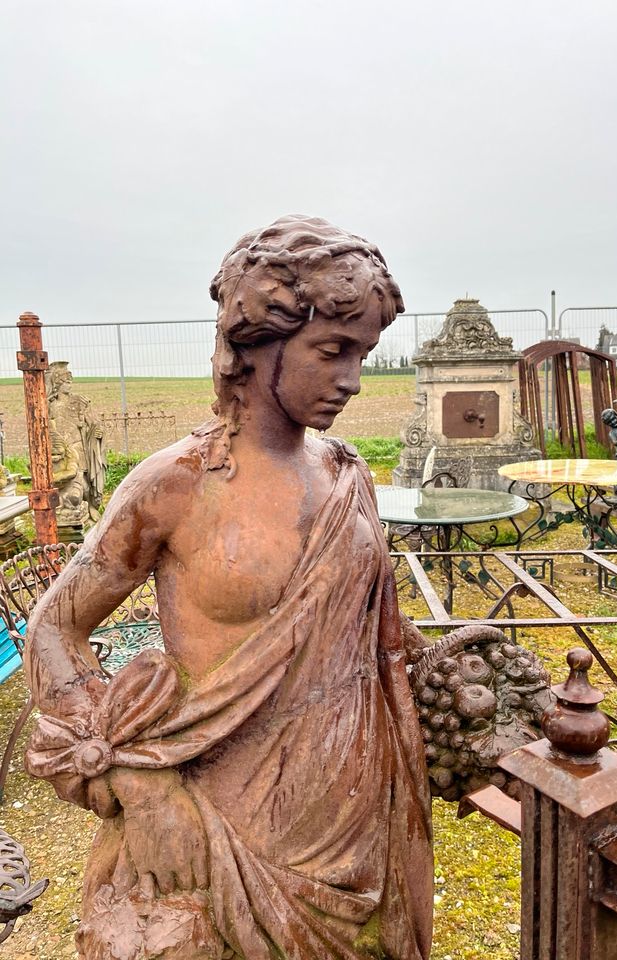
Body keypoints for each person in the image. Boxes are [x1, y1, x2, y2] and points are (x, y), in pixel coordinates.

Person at [24, 216, 434, 960]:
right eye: (333, 350)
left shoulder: (349, 475)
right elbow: (52, 629)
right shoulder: (175, 485)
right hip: (214, 833)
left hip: (355, 826)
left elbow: (380, 645)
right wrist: (142, 792)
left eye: (365, 354)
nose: (352, 379)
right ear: (258, 344)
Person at [45, 361, 106, 522]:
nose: (69, 385)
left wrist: (97, 432)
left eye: (70, 381)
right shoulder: (50, 405)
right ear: (57, 383)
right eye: (65, 382)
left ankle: (90, 505)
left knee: (83, 479)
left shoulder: (79, 401)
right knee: (61, 480)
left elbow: (93, 421)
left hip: (77, 446)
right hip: (59, 449)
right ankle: (63, 508)